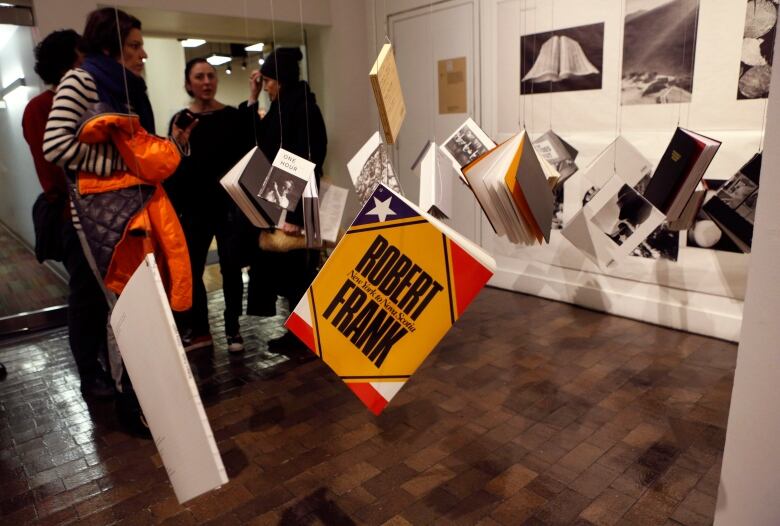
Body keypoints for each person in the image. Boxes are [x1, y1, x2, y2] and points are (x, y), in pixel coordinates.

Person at [43, 7, 195, 436]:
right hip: (101, 216)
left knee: (146, 305)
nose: (142, 53)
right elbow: (55, 145)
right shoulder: (82, 79)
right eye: (133, 45)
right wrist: (117, 161)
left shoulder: (125, 86)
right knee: (126, 310)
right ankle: (134, 405)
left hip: (133, 208)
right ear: (109, 47)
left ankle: (145, 398)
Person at [22, 29, 115, 400]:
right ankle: (90, 376)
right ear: (71, 61)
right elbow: (54, 170)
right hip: (73, 215)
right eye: (82, 56)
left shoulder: (67, 102)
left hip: (94, 213)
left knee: (96, 298)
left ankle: (104, 368)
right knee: (85, 300)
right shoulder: (42, 107)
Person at [164, 57, 254, 353]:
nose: (206, 82)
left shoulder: (231, 116)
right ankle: (201, 329)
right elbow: (172, 164)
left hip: (228, 207)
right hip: (193, 209)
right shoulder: (181, 119)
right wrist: (173, 208)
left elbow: (247, 159)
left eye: (210, 76)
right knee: (192, 269)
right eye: (199, 77)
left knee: (231, 269)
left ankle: (233, 329)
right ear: (188, 83)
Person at [244, 47, 327, 349]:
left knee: (299, 272)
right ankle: (299, 333)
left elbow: (309, 156)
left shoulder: (302, 107)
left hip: (297, 203)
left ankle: (303, 336)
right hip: (286, 199)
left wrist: (292, 216)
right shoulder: (284, 105)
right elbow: (259, 140)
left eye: (268, 80)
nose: (266, 86)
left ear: (281, 79)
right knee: (292, 273)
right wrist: (253, 99)